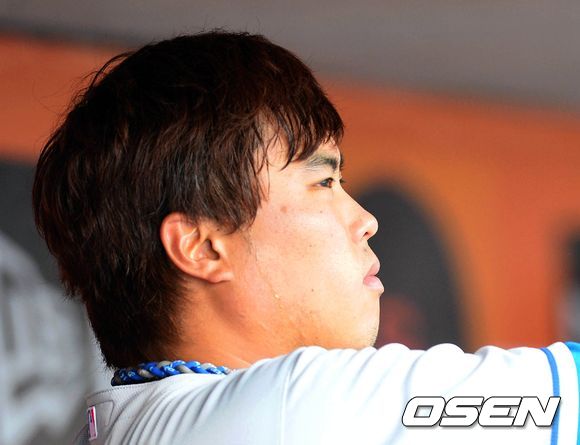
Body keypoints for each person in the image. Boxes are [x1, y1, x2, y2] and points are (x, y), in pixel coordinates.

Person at [33, 31, 578, 444]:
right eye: (323, 182)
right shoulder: (295, 403)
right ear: (202, 247)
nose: (365, 220)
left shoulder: (127, 422)